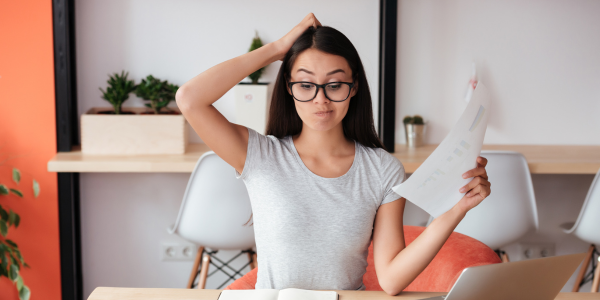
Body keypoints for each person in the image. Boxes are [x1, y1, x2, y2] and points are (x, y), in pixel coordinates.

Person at [175, 13, 491, 296]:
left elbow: (392, 279)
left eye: (335, 84)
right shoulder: (259, 155)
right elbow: (190, 99)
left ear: (353, 87)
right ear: (288, 87)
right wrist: (277, 49)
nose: (320, 100)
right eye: (306, 84)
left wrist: (457, 208)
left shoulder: (382, 169)